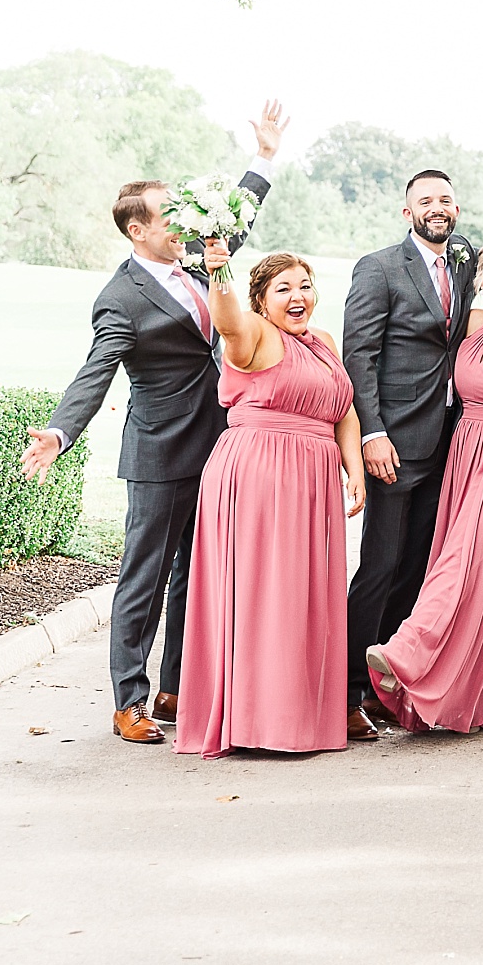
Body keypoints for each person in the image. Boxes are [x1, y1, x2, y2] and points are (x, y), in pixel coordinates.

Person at [19, 101, 286, 745]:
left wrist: (265, 158)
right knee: (144, 575)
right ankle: (129, 700)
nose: (186, 222)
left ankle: (174, 687)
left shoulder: (200, 258)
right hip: (158, 454)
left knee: (195, 573)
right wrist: (60, 431)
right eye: (171, 215)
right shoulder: (119, 297)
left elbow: (236, 219)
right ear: (138, 231)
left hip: (218, 446)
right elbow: (96, 370)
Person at [342, 146, 483, 740]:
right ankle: (345, 693)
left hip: (454, 448)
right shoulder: (379, 268)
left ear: (456, 208)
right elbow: (359, 355)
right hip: (395, 441)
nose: (437, 208)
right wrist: (374, 433)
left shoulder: (464, 262)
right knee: (380, 565)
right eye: (425, 200)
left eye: (445, 199)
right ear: (406, 209)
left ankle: (393, 685)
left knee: (421, 567)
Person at [175, 246, 365, 759]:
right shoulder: (255, 335)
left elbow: (343, 409)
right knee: (264, 593)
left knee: (303, 598)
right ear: (261, 301)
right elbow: (228, 321)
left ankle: (299, 717)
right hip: (261, 476)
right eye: (283, 289)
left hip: (314, 481)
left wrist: (355, 470)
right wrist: (219, 272)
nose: (297, 296)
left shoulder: (324, 341)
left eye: (304, 285)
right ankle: (255, 720)